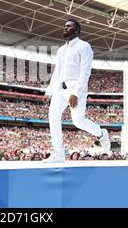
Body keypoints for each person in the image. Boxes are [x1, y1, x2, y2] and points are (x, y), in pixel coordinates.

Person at [43, 19, 110, 163]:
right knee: (53, 116)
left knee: (78, 121)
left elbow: (85, 72)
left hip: (75, 87)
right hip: (60, 87)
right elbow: (57, 71)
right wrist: (49, 91)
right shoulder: (61, 50)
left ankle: (102, 134)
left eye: (68, 26)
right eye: (64, 26)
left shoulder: (84, 46)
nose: (64, 28)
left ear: (76, 30)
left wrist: (76, 93)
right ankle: (58, 154)